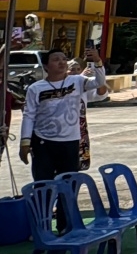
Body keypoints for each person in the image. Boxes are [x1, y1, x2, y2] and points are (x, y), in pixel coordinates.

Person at [18, 47, 107, 181]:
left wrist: (97, 60)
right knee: (43, 183)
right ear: (46, 66)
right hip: (43, 141)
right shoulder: (35, 88)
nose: (62, 62)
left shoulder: (77, 81)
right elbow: (29, 115)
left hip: (70, 141)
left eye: (64, 59)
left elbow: (99, 83)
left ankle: (66, 203)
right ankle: (44, 203)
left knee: (69, 184)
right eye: (56, 60)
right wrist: (25, 142)